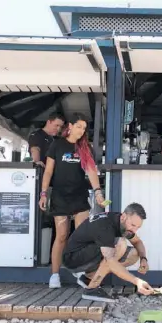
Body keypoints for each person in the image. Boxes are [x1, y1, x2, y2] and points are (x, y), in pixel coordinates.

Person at [39, 113, 107, 289]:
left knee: (82, 237)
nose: (81, 131)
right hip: (60, 197)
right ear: (70, 126)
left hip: (79, 196)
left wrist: (98, 192)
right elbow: (48, 172)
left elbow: (92, 170)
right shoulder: (57, 145)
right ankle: (54, 274)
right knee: (61, 236)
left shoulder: (85, 147)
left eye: (84, 128)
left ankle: (82, 273)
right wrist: (43, 193)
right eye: (79, 127)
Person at [62, 203, 153, 302]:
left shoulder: (122, 223)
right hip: (73, 258)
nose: (134, 230)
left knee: (134, 254)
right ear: (123, 217)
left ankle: (88, 278)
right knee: (120, 244)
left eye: (138, 227)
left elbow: (137, 242)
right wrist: (137, 281)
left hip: (90, 254)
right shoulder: (105, 225)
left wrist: (143, 259)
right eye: (133, 225)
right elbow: (110, 261)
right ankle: (92, 289)